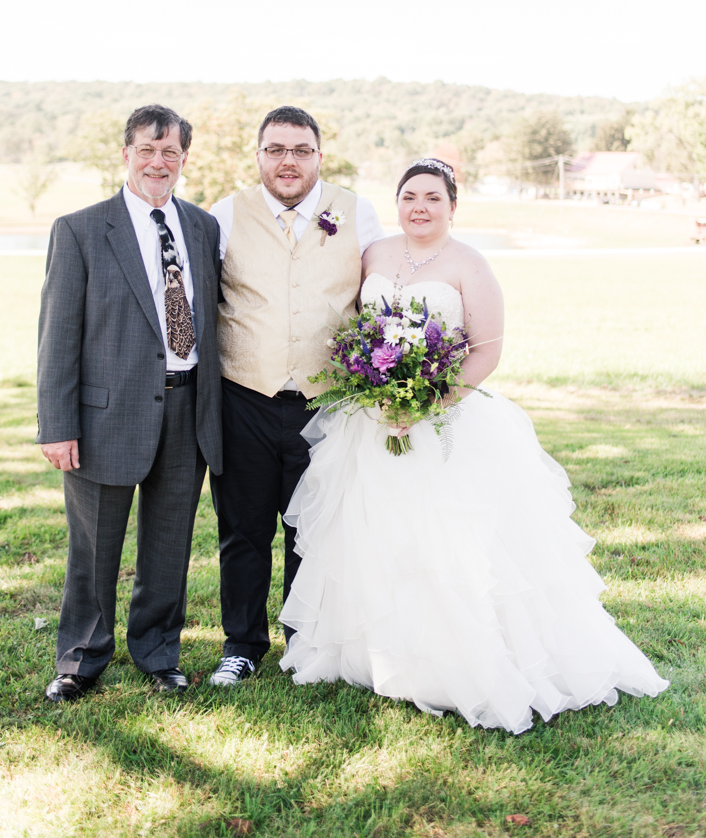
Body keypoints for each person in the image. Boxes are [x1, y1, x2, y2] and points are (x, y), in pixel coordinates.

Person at [279, 158, 669, 733]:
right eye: (410, 195)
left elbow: (486, 350)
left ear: (452, 206)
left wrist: (425, 402)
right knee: (375, 534)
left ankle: (454, 663)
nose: (419, 206)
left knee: (448, 544)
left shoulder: (471, 264)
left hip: (443, 421)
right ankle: (376, 654)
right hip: (374, 422)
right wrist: (378, 389)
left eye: (433, 198)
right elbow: (357, 329)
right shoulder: (375, 255)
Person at [37, 104, 222, 702]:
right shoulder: (81, 229)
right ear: (126, 153)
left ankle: (157, 649)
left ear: (184, 161)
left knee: (168, 544)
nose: (158, 162)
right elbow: (58, 335)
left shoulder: (201, 227)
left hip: (187, 406)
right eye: (147, 149)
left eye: (171, 153)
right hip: (103, 416)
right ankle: (82, 657)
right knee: (94, 548)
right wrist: (57, 425)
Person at [207, 106, 385, 686]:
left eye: (300, 150)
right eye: (276, 149)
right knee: (244, 528)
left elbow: (384, 299)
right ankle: (242, 644)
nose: (288, 161)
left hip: (326, 403)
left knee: (314, 530)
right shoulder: (225, 216)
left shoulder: (359, 212)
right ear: (258, 155)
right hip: (244, 397)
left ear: (319, 157)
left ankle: (307, 642)